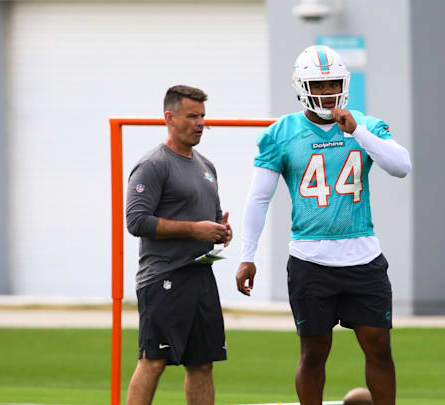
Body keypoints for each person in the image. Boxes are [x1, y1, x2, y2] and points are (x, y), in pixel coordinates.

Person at [235, 45, 412, 405]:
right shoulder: (281, 133)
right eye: (320, 84)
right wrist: (247, 255)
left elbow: (401, 166)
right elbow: (258, 198)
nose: (328, 91)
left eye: (333, 83)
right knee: (314, 353)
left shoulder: (366, 124)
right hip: (310, 258)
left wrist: (358, 132)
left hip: (363, 254)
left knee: (379, 346)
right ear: (303, 87)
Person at [125, 85, 232, 405]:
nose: (199, 123)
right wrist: (194, 230)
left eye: (202, 116)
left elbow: (209, 221)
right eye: (191, 116)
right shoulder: (154, 165)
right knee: (154, 361)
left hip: (200, 276)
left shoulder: (206, 166)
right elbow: (137, 222)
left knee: (202, 364)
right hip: (164, 277)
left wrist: (221, 231)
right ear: (169, 118)